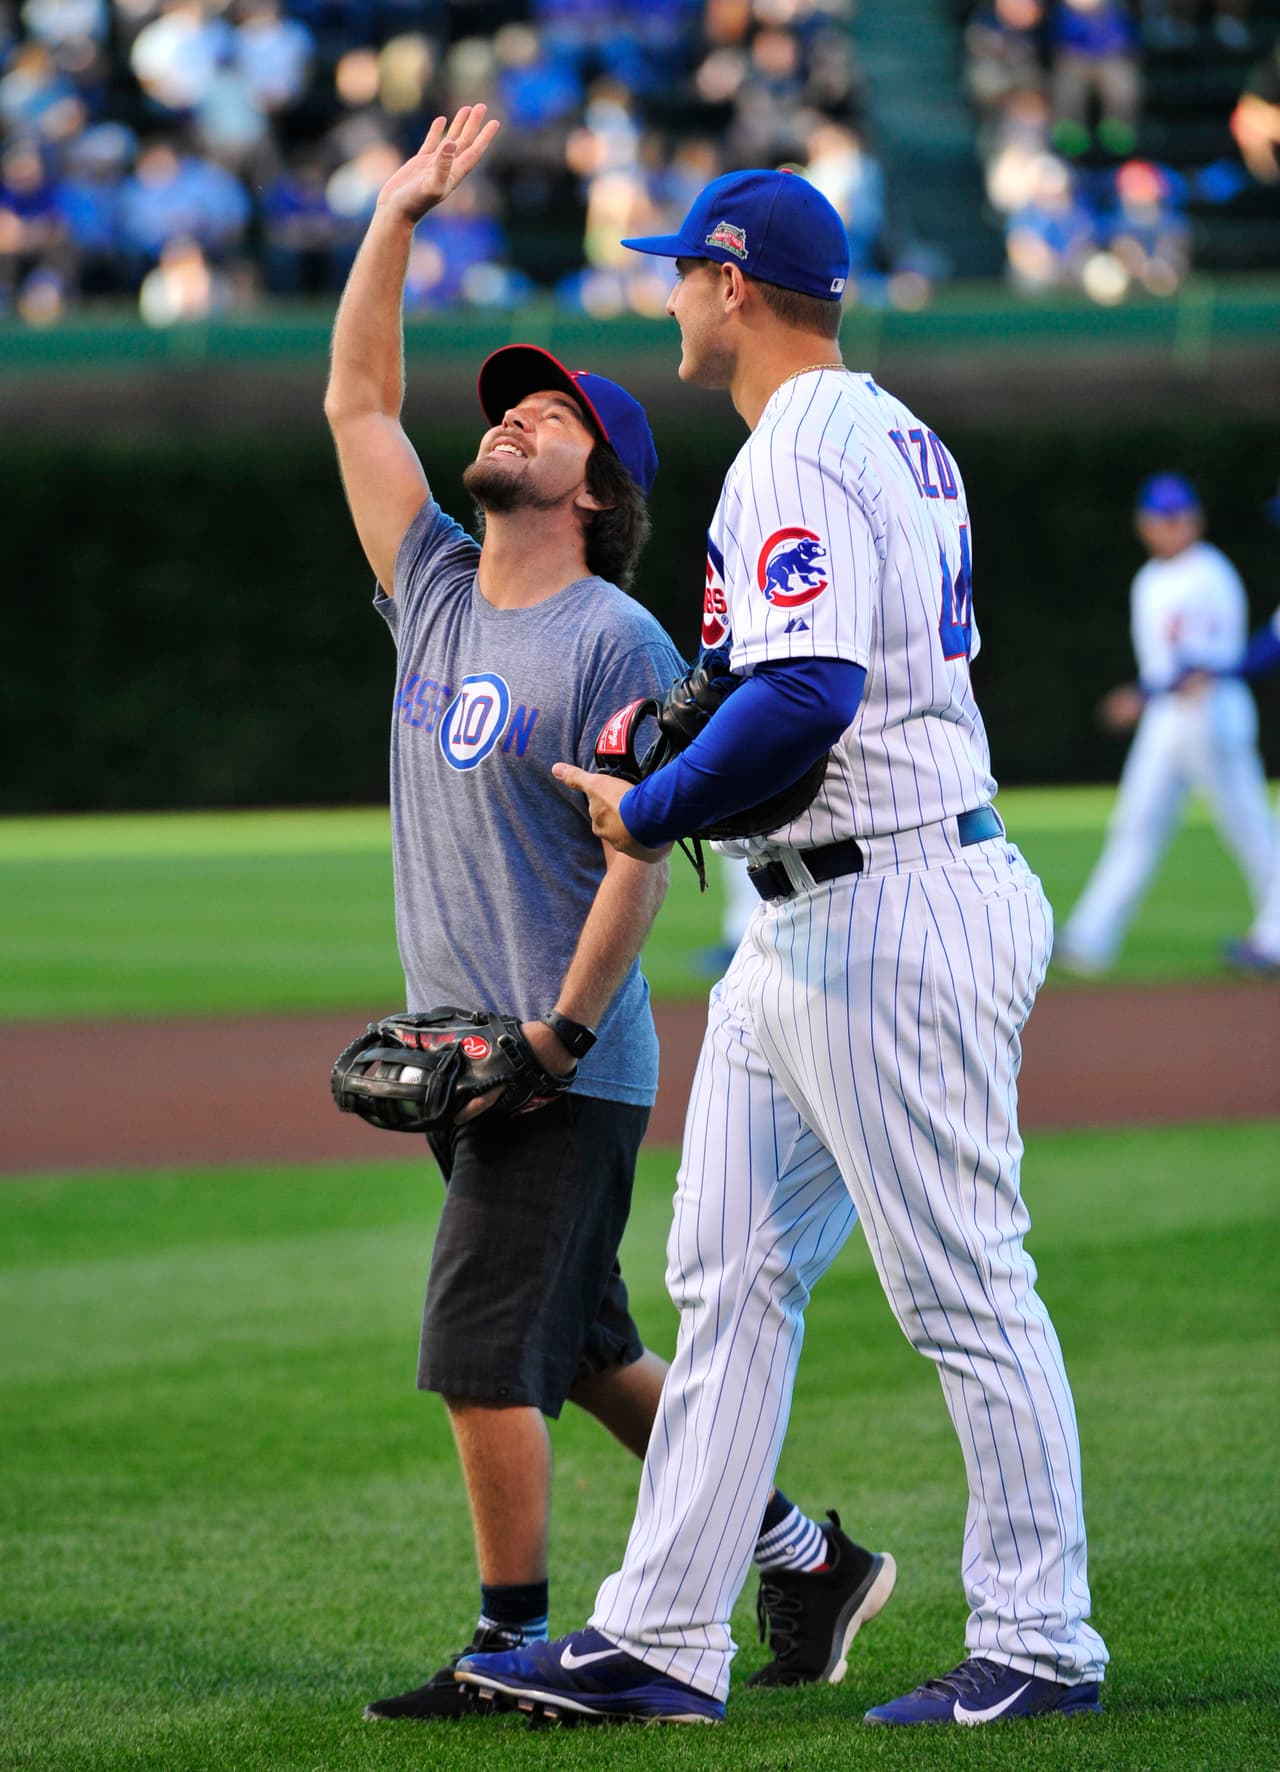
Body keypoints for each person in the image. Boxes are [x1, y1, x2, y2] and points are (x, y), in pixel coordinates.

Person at [456, 164, 1109, 1727]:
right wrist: (680, 728)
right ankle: (665, 1635)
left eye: (684, 269)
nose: (671, 290)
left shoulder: (796, 447)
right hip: (812, 915)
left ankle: (1043, 1641)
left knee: (962, 1279)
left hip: (887, 902)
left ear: (734, 287)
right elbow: (789, 669)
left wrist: (652, 804)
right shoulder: (886, 426)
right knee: (726, 1272)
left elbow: (810, 704)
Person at [323, 107, 893, 1722]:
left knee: (480, 1349)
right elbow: (357, 397)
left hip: (560, 1060)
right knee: (580, 1350)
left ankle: (512, 1632)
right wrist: (400, 214)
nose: (508, 420)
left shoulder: (618, 641)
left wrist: (555, 1034)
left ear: (603, 481)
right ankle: (802, 1555)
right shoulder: (432, 585)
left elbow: (646, 850)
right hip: (470, 1044)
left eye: (549, 414)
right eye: (509, 406)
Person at [1057, 473, 1277, 976]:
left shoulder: (1210, 573)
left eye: (1180, 516)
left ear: (1195, 520)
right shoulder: (1150, 578)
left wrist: (1140, 696)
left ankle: (1275, 935)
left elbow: (1202, 667)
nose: (1172, 526)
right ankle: (1091, 940)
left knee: (1252, 831)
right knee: (1134, 827)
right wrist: (1148, 697)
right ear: (1145, 524)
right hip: (1166, 724)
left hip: (1212, 717)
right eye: (1163, 517)